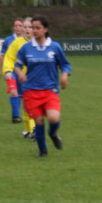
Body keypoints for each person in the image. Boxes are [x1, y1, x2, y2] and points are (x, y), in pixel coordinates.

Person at [13, 16, 71, 158]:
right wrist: (20, 74)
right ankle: (42, 150)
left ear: (45, 29)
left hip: (50, 90)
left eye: (38, 28)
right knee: (38, 121)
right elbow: (17, 65)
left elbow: (65, 64)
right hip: (31, 91)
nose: (34, 30)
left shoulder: (55, 47)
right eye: (33, 28)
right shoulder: (26, 48)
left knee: (54, 118)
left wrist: (64, 76)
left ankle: (52, 133)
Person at [2, 18, 37, 140]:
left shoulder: (40, 43)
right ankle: (29, 130)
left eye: (30, 27)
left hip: (36, 78)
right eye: (25, 27)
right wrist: (8, 70)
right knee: (26, 105)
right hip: (22, 78)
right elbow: (9, 57)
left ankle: (34, 130)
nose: (27, 29)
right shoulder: (17, 43)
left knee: (33, 104)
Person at [0, 18, 25, 123]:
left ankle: (18, 115)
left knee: (21, 95)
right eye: (16, 26)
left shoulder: (27, 40)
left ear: (23, 27)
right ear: (13, 27)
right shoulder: (8, 40)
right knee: (13, 92)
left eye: (20, 25)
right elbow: (2, 55)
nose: (18, 28)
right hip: (10, 71)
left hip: (22, 71)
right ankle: (16, 116)